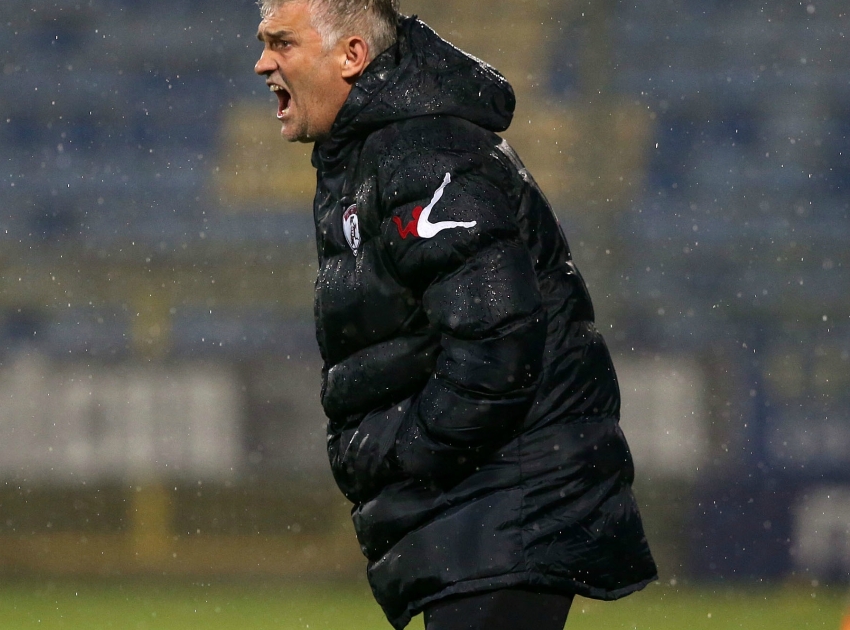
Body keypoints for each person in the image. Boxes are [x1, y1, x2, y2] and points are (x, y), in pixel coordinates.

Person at [252, 2, 658, 629]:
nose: (263, 63)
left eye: (282, 43)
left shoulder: (423, 153)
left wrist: (408, 453)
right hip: (488, 513)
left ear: (352, 55)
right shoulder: (377, 152)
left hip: (507, 508)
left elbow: (498, 345)